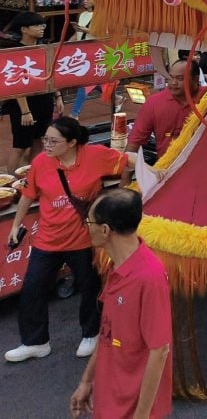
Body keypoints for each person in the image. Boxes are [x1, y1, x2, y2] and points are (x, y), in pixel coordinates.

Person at [5, 117, 135, 363]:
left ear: (73, 142)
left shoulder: (94, 155)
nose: (47, 144)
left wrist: (152, 172)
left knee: (90, 288)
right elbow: (27, 195)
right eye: (45, 139)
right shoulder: (41, 162)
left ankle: (91, 334)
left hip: (84, 240)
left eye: (53, 141)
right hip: (47, 240)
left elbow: (127, 160)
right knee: (33, 289)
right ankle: (35, 342)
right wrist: (15, 225)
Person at [70, 189, 172, 419]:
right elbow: (109, 330)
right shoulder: (116, 266)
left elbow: (160, 350)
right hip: (110, 397)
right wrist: (86, 381)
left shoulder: (149, 278)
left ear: (105, 230)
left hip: (132, 407)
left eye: (89, 222)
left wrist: (142, 414)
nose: (87, 227)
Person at [2, 12, 64, 168]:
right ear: (24, 29)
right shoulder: (15, 50)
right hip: (23, 105)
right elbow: (16, 83)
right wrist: (25, 111)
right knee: (20, 147)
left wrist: (58, 96)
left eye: (42, 24)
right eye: (36, 25)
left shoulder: (44, 48)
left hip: (44, 101)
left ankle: (32, 175)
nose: (42, 27)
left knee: (40, 141)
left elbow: (52, 74)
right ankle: (11, 184)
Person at [124, 59, 204, 168]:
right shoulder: (154, 103)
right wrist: (125, 179)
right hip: (166, 170)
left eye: (180, 78)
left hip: (204, 167)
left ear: (196, 79)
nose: (173, 83)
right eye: (171, 77)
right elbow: (134, 142)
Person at [69, 0, 95, 119]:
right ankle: (116, 98)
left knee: (84, 82)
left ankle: (75, 113)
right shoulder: (83, 14)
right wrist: (66, 44)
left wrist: (87, 30)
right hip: (82, 51)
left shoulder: (102, 15)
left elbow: (106, 33)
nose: (85, 1)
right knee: (92, 81)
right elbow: (77, 34)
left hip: (94, 52)